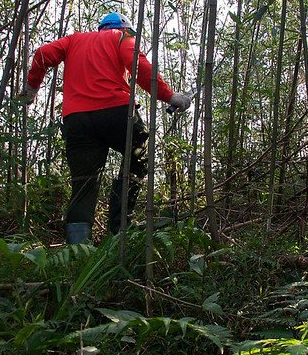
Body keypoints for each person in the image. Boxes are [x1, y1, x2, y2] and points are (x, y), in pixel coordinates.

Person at [18, 12, 192, 244]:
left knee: (84, 180)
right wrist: (170, 96)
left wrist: (31, 89)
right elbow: (138, 66)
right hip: (116, 113)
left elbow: (42, 54)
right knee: (140, 155)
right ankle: (120, 228)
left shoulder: (73, 40)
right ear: (126, 29)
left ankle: (78, 249)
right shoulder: (121, 37)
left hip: (77, 119)